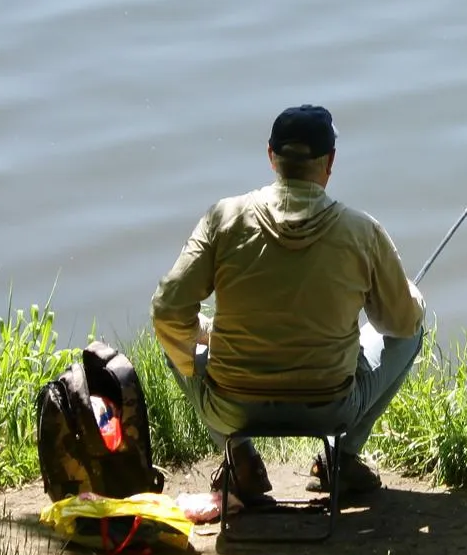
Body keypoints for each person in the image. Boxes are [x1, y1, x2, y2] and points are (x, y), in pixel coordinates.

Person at [151, 104, 426, 503]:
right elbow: (400, 323)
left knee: (172, 333)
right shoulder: (361, 231)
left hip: (231, 408)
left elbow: (167, 309)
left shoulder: (223, 219)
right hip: (330, 408)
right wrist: (412, 295)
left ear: (271, 157)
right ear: (329, 162)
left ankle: (239, 457)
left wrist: (207, 336)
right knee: (413, 327)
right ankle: (341, 460)